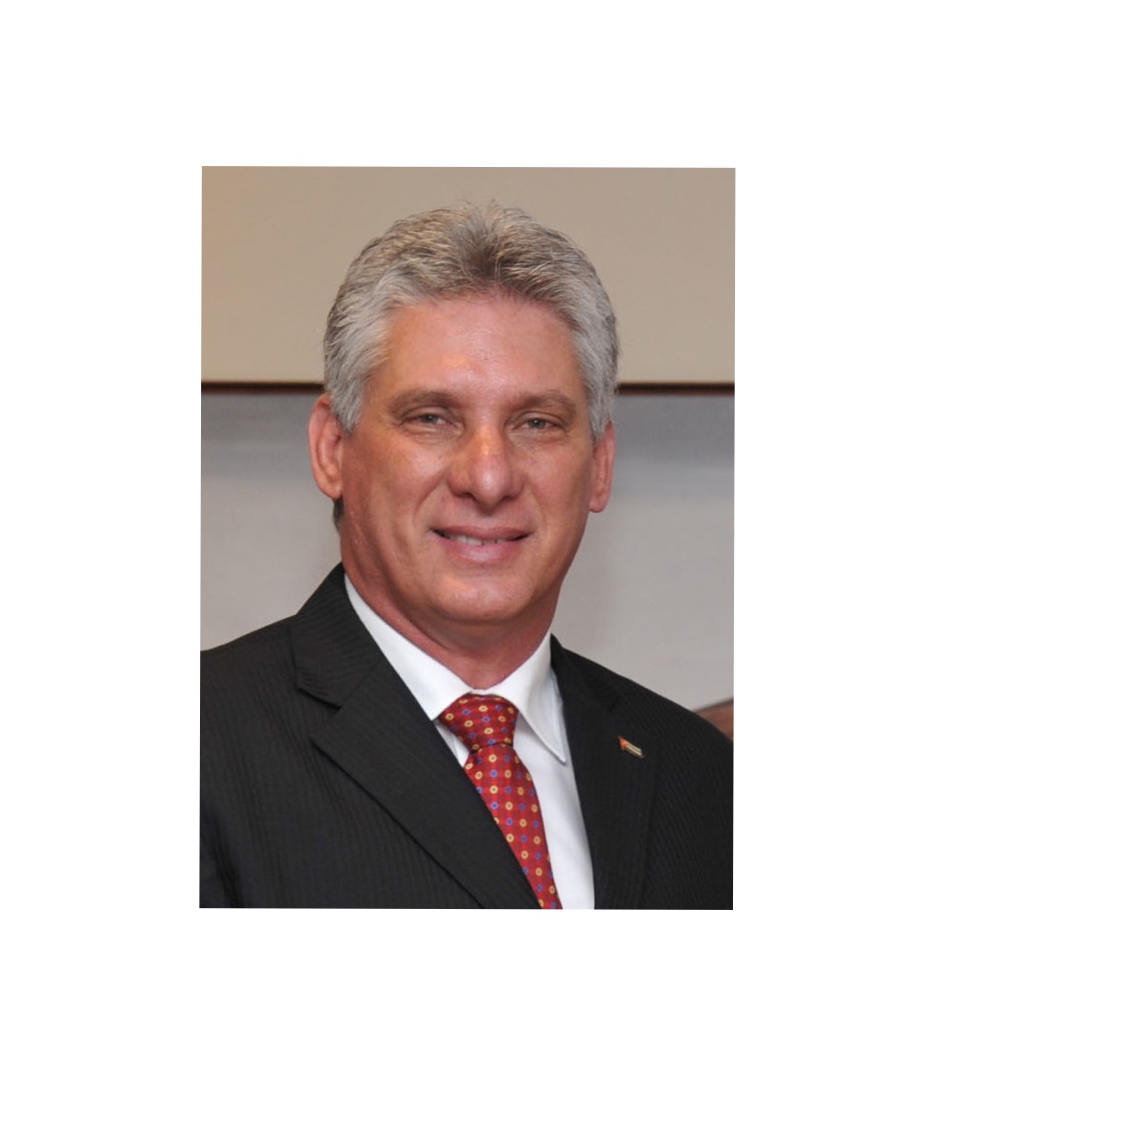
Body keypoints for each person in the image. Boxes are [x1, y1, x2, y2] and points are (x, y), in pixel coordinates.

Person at [200, 203, 732, 908]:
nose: (488, 477)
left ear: (599, 466)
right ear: (332, 450)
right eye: (432, 418)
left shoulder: (701, 776)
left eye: (536, 423)